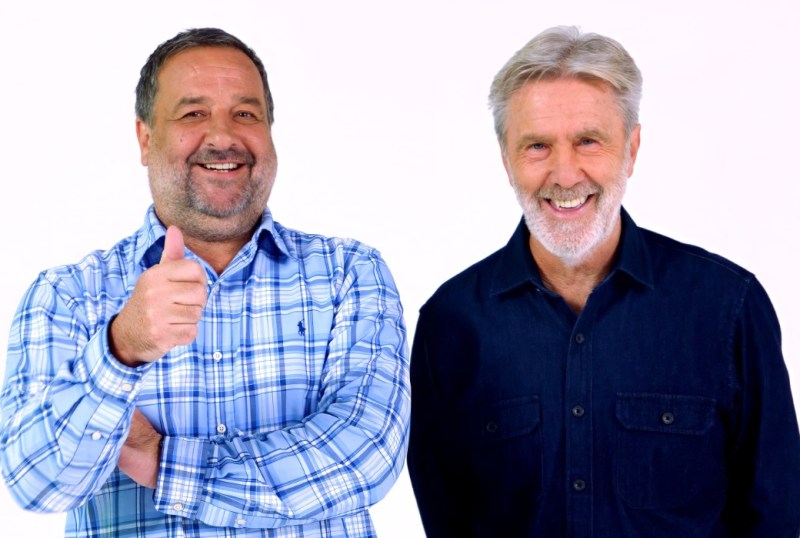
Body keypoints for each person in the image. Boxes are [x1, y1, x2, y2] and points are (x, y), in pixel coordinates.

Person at [0, 28, 409, 538]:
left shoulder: (351, 273)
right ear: (145, 138)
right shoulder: (66, 295)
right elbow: (38, 484)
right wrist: (119, 349)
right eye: (193, 113)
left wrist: (164, 462)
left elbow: (365, 453)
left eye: (246, 114)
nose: (223, 136)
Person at [407, 25, 800, 537]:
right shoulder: (451, 324)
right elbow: (447, 518)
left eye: (588, 141)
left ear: (631, 148)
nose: (565, 174)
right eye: (537, 146)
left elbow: (776, 514)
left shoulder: (728, 307)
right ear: (506, 159)